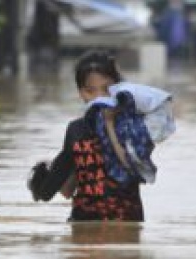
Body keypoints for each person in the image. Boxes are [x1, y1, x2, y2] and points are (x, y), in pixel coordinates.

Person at [28, 50, 175, 221]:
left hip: (125, 222)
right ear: (81, 93)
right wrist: (45, 171)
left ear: (119, 89)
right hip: (85, 224)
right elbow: (61, 191)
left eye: (106, 89)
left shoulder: (135, 128)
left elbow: (132, 167)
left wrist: (110, 125)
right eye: (90, 90)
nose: (99, 97)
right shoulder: (76, 129)